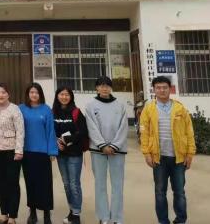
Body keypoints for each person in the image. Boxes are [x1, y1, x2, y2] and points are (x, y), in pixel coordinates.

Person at [140, 76, 196, 224]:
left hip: (179, 158)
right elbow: (144, 132)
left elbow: (189, 131)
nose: (162, 90)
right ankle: (163, 221)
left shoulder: (180, 108)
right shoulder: (148, 109)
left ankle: (181, 220)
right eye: (158, 88)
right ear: (154, 90)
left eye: (165, 87)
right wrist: (146, 153)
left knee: (179, 192)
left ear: (170, 89)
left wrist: (190, 153)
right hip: (159, 158)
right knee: (160, 192)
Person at [85, 76, 128, 224]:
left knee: (118, 185)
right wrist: (102, 145)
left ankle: (117, 217)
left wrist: (115, 145)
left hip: (117, 150)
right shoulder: (90, 106)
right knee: (100, 184)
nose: (104, 88)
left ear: (111, 88)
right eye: (101, 85)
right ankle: (103, 217)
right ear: (96, 88)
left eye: (107, 85)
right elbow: (91, 127)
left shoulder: (120, 106)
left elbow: (124, 127)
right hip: (98, 150)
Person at [0, 83, 25, 224]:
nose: (0, 95)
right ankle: (4, 214)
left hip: (11, 151)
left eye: (3, 92)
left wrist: (19, 150)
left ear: (8, 94)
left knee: (12, 183)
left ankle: (12, 216)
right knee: (1, 183)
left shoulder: (15, 109)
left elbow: (20, 131)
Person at [19, 82, 58, 224]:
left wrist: (52, 150)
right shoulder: (21, 109)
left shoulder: (46, 110)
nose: (34, 95)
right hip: (26, 152)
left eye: (36, 92)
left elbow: (50, 131)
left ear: (40, 94)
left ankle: (47, 213)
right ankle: (33, 212)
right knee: (30, 183)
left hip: (42, 153)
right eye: (31, 92)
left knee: (45, 184)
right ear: (27, 94)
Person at [52, 87, 89, 224]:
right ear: (57, 96)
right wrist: (56, 141)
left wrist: (66, 139)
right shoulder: (53, 112)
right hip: (61, 154)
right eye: (61, 94)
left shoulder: (76, 112)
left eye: (67, 94)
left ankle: (76, 214)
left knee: (74, 184)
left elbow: (83, 132)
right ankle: (72, 210)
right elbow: (50, 131)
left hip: (74, 153)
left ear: (71, 96)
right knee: (66, 184)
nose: (64, 97)